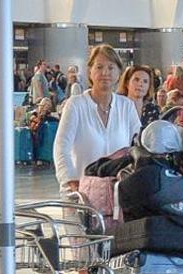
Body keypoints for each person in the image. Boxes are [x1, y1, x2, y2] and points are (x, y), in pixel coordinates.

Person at [53, 45, 142, 192]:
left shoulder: (126, 106)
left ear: (119, 73)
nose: (105, 73)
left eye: (111, 68)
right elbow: (61, 147)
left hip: (118, 194)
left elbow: (138, 146)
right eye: (99, 67)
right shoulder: (75, 105)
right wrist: (70, 180)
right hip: (81, 192)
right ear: (90, 71)